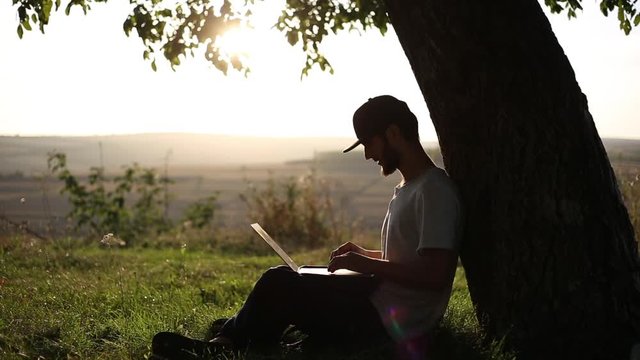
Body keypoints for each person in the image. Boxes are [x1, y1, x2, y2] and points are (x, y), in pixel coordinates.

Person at [151, 95, 463, 359]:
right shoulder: (410, 187)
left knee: (279, 283)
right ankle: (242, 329)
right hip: (378, 304)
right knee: (289, 277)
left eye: (370, 143)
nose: (369, 155)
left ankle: (223, 347)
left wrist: (364, 263)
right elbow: (410, 256)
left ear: (394, 133)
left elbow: (434, 275)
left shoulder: (433, 190)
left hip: (390, 321)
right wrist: (362, 253)